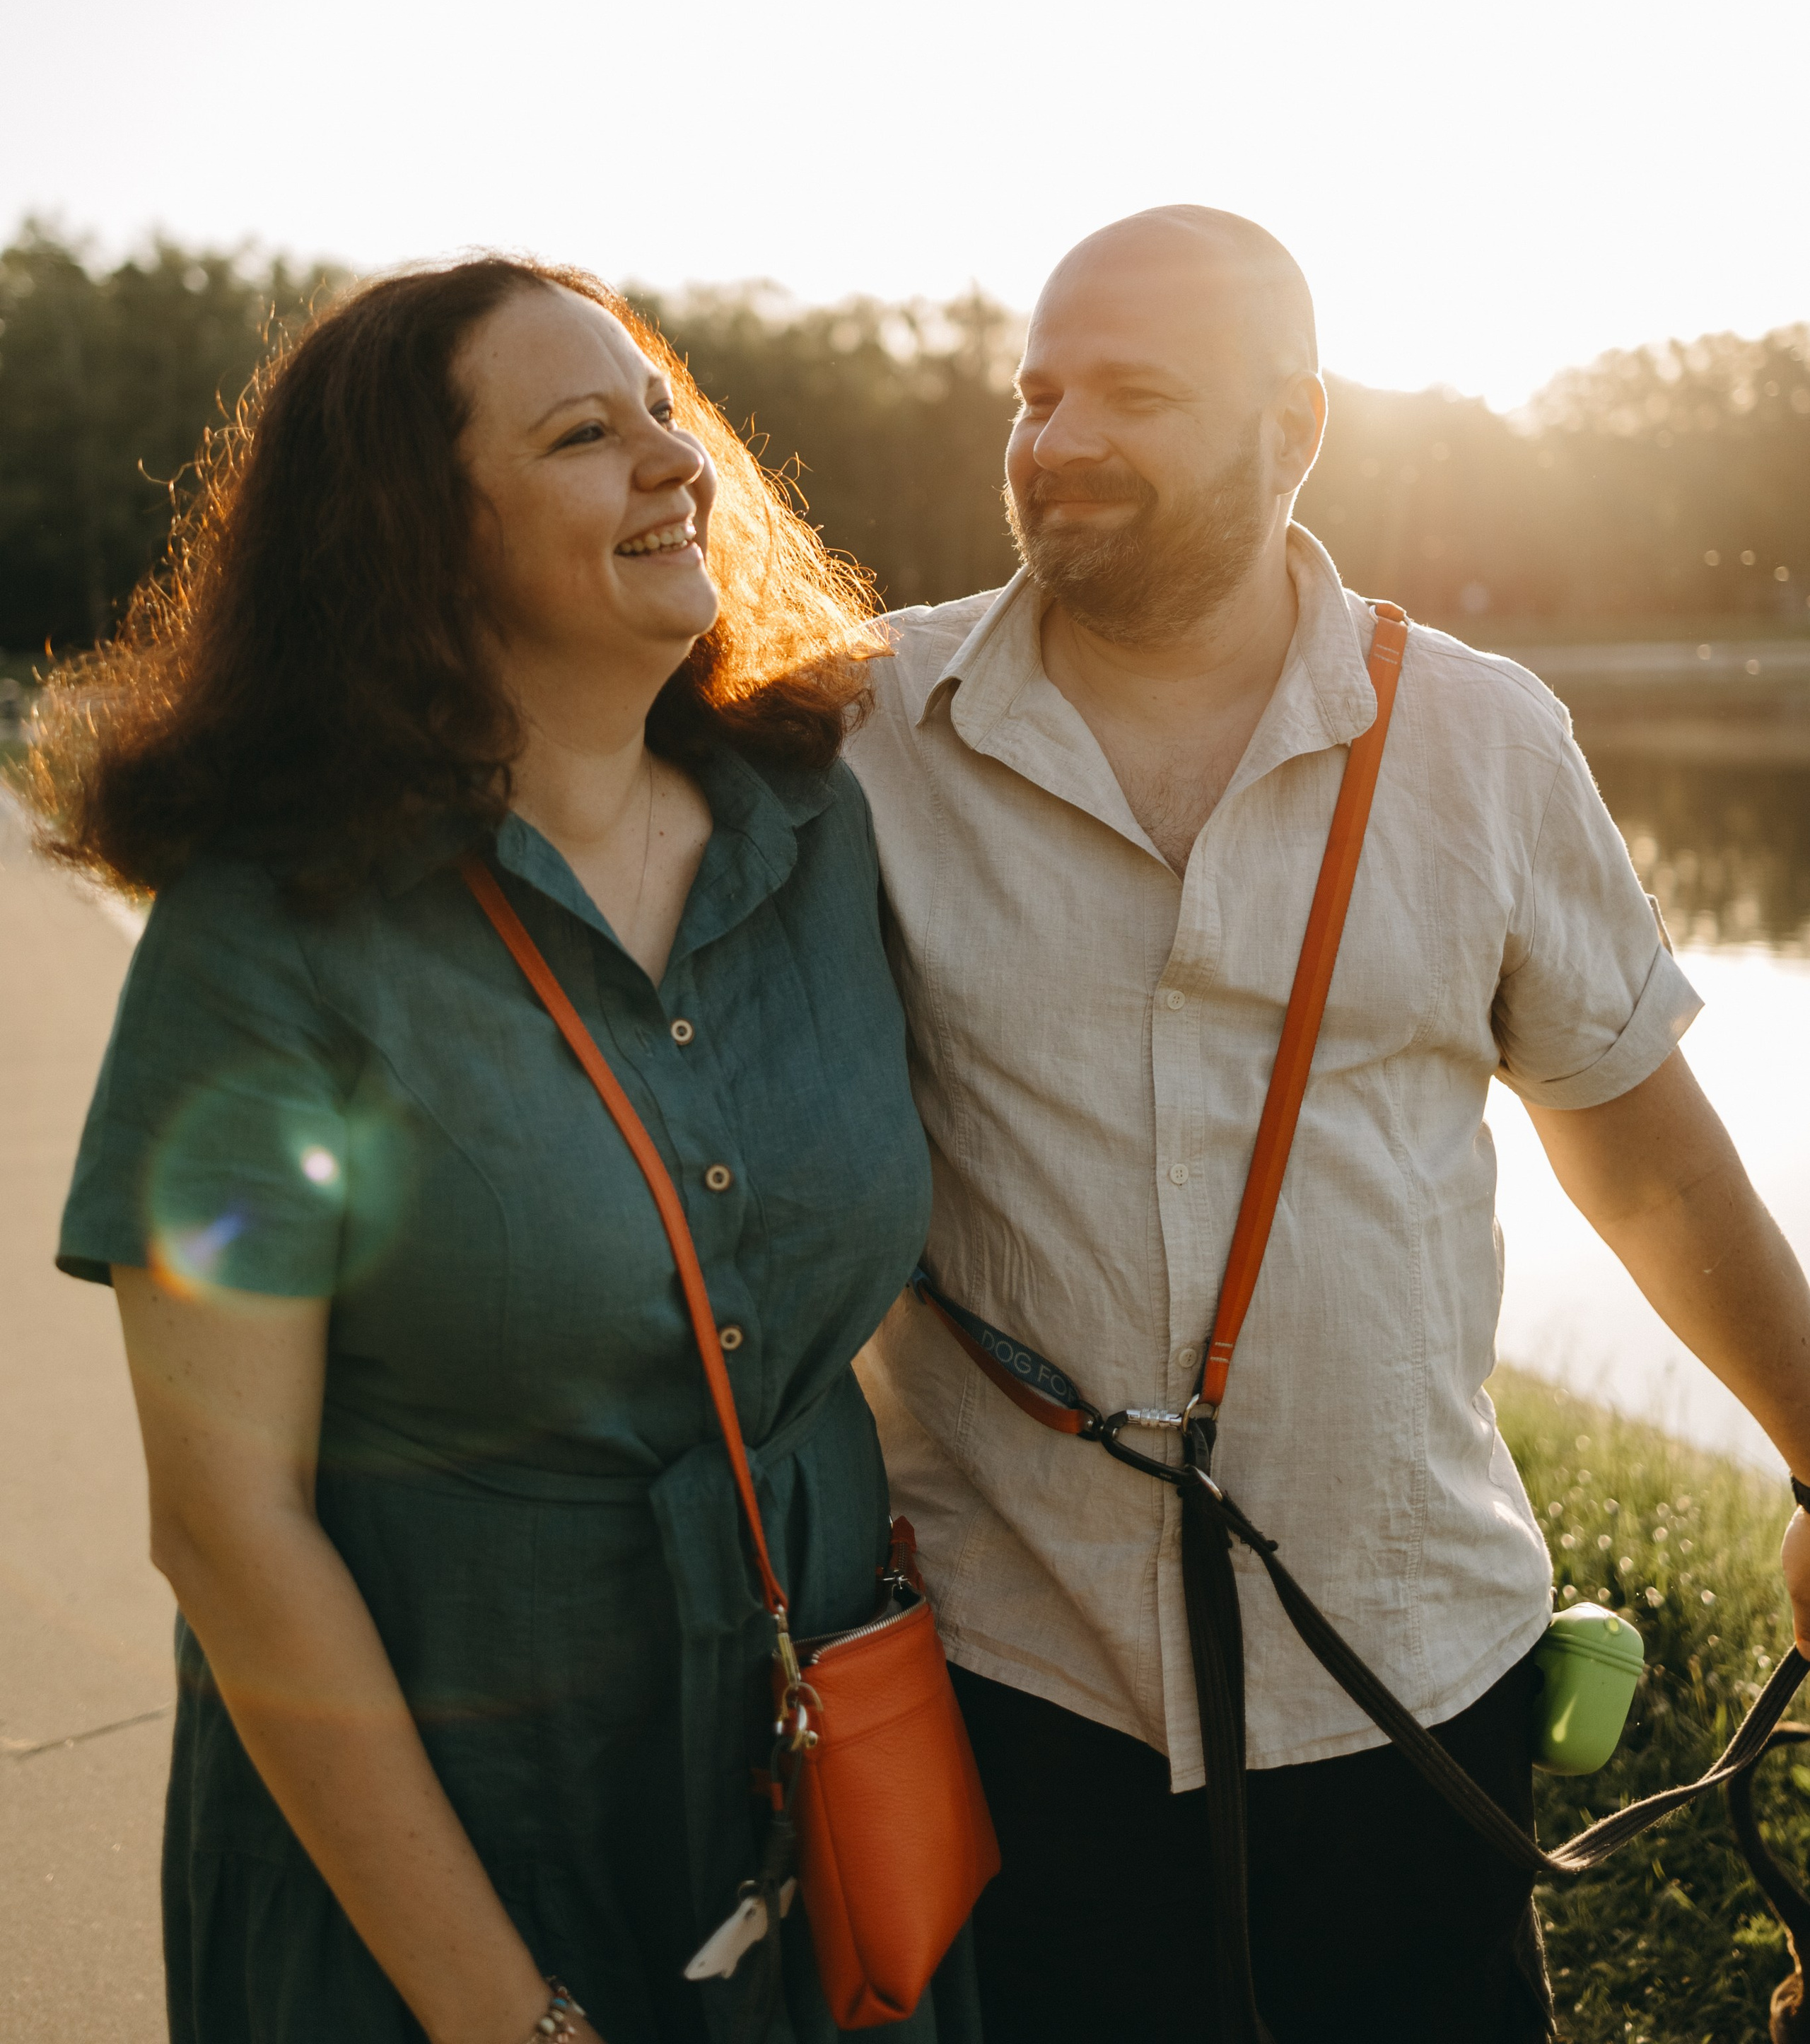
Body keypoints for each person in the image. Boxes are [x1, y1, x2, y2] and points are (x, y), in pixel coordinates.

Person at [846, 204, 1810, 2044]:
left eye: (1131, 392)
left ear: (1295, 428)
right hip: (1011, 1697)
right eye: (1039, 392)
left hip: (1410, 1683)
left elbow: (1649, 1151)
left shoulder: (1486, 739)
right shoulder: (864, 729)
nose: (1056, 439)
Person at [39, 259, 981, 2044]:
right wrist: (504, 2018)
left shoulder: (816, 834)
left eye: (662, 412)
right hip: (437, 1848)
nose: (669, 458)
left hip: (815, 1799)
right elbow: (229, 1523)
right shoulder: (271, 935)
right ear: (417, 538)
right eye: (581, 433)